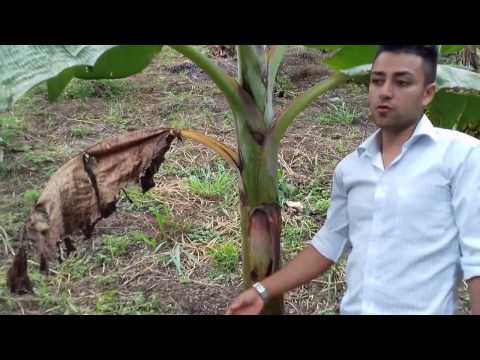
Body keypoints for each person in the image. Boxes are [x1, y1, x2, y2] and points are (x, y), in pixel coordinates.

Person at [226, 45, 480, 315]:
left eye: (402, 82)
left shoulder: (461, 156)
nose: (385, 91)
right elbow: (328, 244)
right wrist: (262, 291)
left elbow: (477, 256)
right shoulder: (352, 168)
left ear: (428, 93)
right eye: (377, 80)